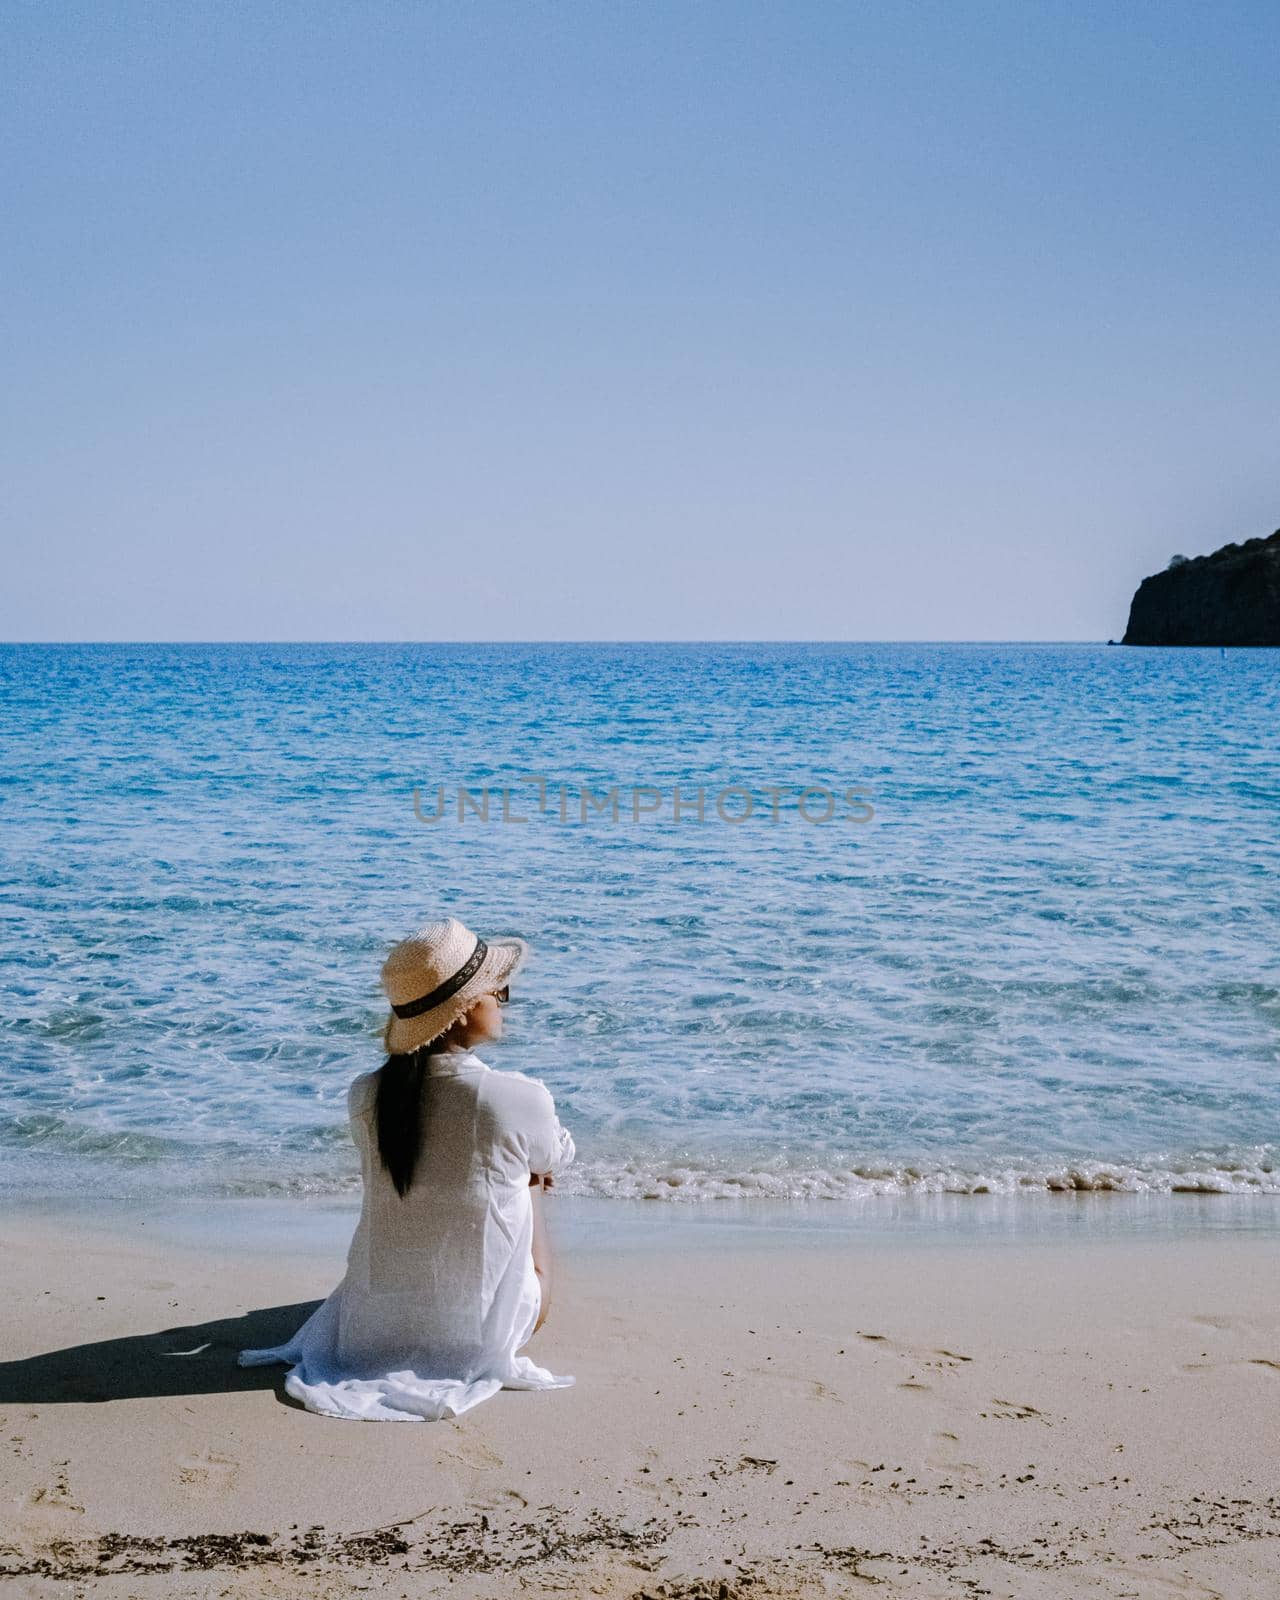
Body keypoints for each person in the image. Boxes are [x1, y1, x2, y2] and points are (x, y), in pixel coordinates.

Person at [237, 916, 576, 1421]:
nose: (504, 1000)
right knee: (530, 1174)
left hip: (369, 1326)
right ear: (462, 1011)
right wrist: (528, 1172)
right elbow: (560, 1157)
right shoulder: (517, 1096)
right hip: (482, 1328)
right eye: (497, 992)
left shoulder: (367, 1094)